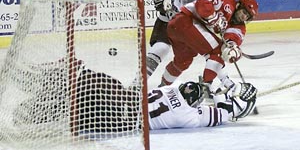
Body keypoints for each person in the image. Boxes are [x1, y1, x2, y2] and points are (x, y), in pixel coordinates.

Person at [13, 59, 257, 132]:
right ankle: (33, 111)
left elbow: (213, 98)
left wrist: (217, 90)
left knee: (88, 81)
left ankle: (44, 88)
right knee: (81, 104)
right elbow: (226, 113)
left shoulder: (175, 89)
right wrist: (237, 100)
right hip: (124, 118)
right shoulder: (188, 115)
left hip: (124, 103)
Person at [159, 0, 259, 95]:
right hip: (185, 20)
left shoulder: (239, 27)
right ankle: (205, 88)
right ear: (238, 5)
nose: (244, 17)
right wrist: (212, 17)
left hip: (178, 29)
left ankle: (162, 88)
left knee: (183, 61)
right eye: (244, 12)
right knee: (217, 53)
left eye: (247, 16)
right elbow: (202, 1)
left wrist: (233, 49)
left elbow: (231, 40)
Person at [147, 0, 206, 80]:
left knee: (183, 61)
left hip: (185, 31)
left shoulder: (203, 0)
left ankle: (164, 85)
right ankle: (138, 84)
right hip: (166, 23)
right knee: (160, 49)